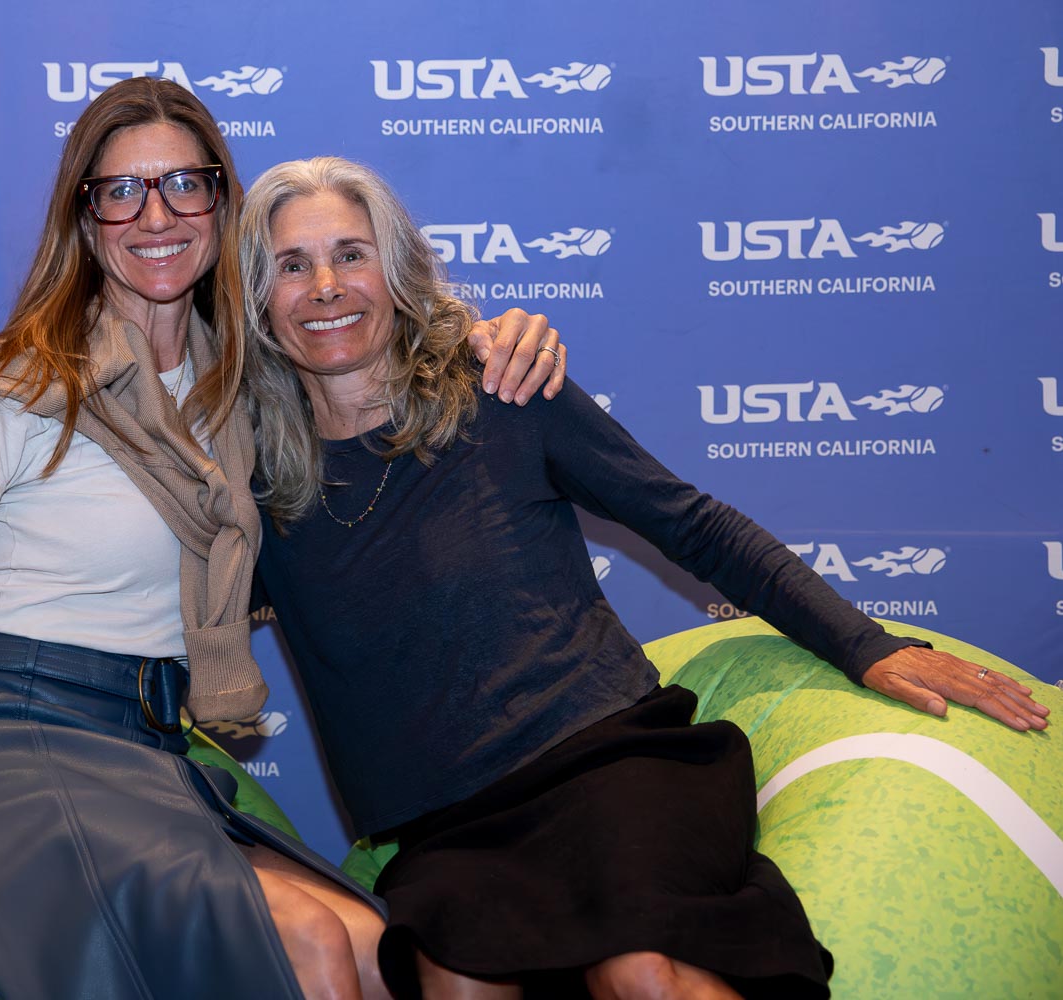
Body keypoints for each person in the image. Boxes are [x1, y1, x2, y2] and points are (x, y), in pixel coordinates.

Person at [0, 79, 562, 1000]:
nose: (155, 216)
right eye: (122, 191)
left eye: (183, 185)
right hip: (8, 755)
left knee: (374, 951)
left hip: (147, 753)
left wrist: (485, 340)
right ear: (86, 221)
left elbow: (372, 368)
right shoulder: (26, 387)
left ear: (220, 203)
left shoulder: (245, 390)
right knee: (312, 950)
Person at [234, 157, 1050, 1000]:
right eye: (292, 265)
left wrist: (868, 647)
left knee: (643, 973)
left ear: (399, 272)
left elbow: (692, 525)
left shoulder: (500, 391)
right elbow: (175, 615)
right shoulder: (249, 483)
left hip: (611, 761)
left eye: (352, 254)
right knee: (458, 984)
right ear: (256, 298)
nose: (326, 287)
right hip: (450, 831)